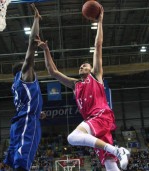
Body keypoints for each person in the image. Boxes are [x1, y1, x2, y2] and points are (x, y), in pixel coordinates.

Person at [38, 7, 130, 171]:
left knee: (73, 137)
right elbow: (53, 71)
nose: (82, 66)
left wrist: (100, 21)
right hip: (94, 123)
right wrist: (46, 50)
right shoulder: (75, 84)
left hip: (101, 115)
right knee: (109, 163)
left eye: (85, 65)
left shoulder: (96, 76)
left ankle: (118, 149)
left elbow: (98, 45)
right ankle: (116, 152)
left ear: (90, 69)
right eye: (81, 66)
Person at [3, 4, 43, 171]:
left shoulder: (15, 85)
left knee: (15, 163)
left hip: (19, 122)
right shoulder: (25, 74)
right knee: (22, 164)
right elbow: (32, 44)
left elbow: (27, 100)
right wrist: (36, 20)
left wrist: (37, 110)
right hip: (27, 121)